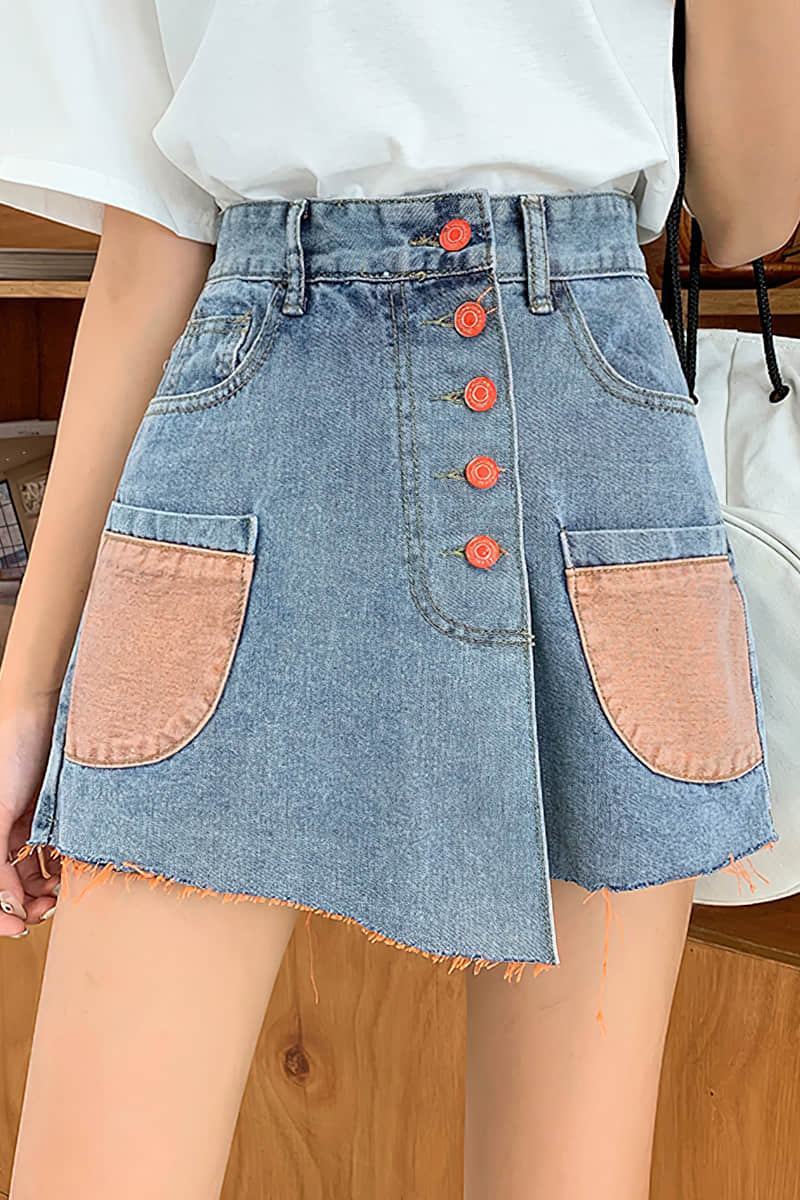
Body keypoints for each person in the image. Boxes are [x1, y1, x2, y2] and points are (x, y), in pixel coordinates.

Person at [0, 3, 797, 1198]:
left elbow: (746, 214)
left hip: (581, 436)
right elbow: (152, 237)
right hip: (253, 425)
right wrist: (25, 690)